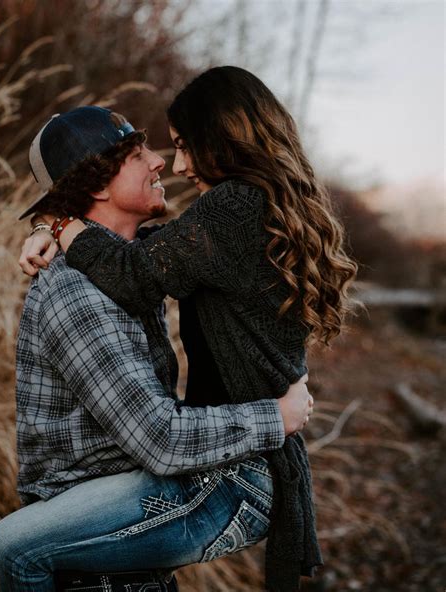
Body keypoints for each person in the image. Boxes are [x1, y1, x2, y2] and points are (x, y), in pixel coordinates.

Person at [19, 66, 357, 591]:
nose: (169, 164)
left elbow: (139, 267)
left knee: (11, 551)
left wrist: (61, 223)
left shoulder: (230, 209)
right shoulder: (241, 212)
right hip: (214, 470)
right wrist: (55, 222)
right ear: (96, 183)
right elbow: (145, 258)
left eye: (180, 146)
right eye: (142, 155)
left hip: (230, 470)